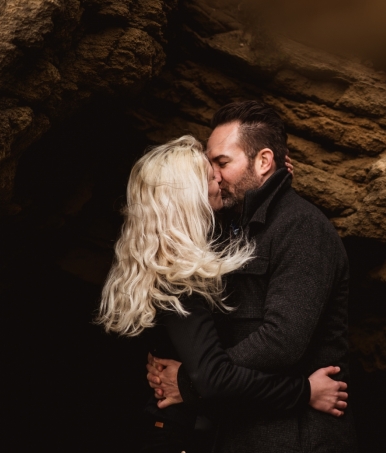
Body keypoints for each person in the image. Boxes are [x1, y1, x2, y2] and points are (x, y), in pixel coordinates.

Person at [96, 135, 348, 452]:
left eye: (221, 163)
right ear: (190, 195)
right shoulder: (178, 276)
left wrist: (272, 181)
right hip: (175, 435)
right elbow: (213, 377)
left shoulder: (173, 257)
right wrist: (304, 391)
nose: (219, 176)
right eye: (209, 172)